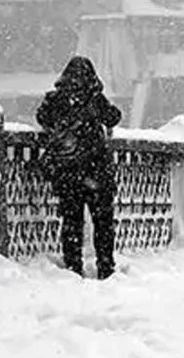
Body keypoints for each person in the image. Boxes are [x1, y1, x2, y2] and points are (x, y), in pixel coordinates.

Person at [36, 56, 121, 279]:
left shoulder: (56, 99)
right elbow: (114, 118)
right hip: (96, 171)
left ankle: (73, 267)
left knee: (72, 222)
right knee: (103, 223)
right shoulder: (95, 99)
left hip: (68, 172)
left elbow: (42, 117)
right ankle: (106, 267)